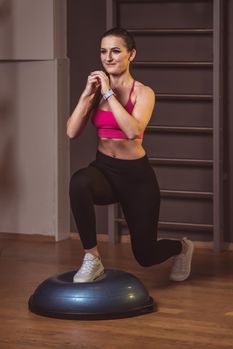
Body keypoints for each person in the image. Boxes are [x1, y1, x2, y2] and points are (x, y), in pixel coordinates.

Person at [67, 27, 194, 283]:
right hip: (104, 170)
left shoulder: (144, 93)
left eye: (116, 51)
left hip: (137, 178)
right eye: (104, 51)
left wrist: (108, 93)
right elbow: (71, 132)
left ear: (131, 55)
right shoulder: (95, 93)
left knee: (145, 256)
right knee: (79, 182)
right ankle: (92, 258)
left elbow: (133, 131)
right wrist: (86, 94)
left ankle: (182, 247)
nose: (108, 58)